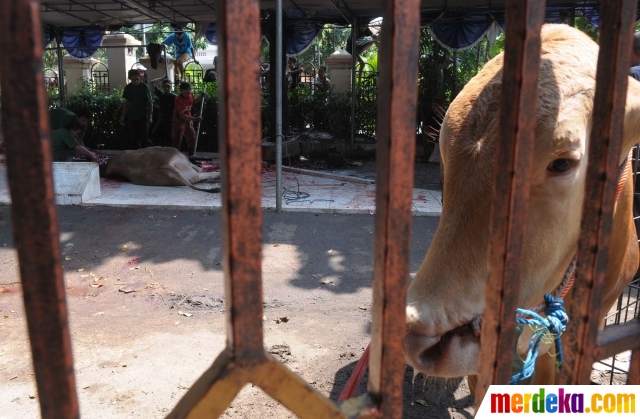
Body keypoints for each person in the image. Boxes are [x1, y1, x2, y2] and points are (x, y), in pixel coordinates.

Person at [120, 69, 154, 149]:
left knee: (144, 137)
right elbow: (126, 103)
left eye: (137, 79)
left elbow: (150, 103)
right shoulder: (128, 88)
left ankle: (152, 152)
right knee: (134, 138)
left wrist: (150, 116)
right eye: (133, 80)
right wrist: (122, 116)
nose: (136, 81)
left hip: (142, 115)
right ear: (130, 79)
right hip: (132, 116)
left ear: (140, 78)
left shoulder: (144, 87)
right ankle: (138, 155)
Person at [172, 81, 205, 156]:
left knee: (192, 136)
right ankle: (175, 156)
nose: (187, 95)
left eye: (188, 92)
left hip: (189, 118)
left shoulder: (190, 94)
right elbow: (182, 115)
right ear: (181, 91)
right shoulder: (178, 100)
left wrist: (201, 97)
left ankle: (191, 155)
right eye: (184, 93)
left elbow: (193, 102)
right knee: (177, 139)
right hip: (179, 120)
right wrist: (195, 119)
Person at [150, 76, 177, 147]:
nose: (167, 88)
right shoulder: (161, 94)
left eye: (168, 86)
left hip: (170, 120)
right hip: (161, 120)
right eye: (165, 86)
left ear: (171, 87)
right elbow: (152, 82)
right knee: (155, 135)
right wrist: (162, 78)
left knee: (169, 138)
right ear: (163, 87)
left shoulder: (174, 97)